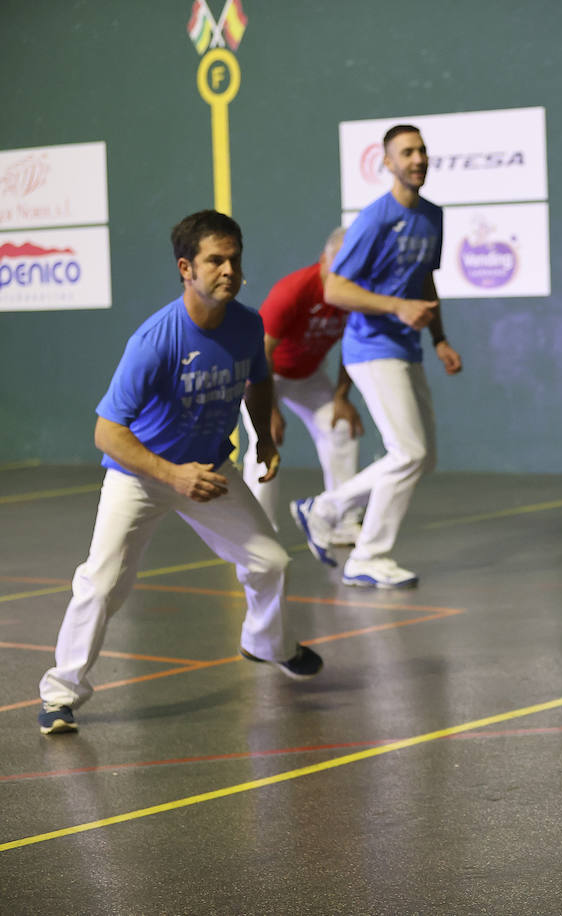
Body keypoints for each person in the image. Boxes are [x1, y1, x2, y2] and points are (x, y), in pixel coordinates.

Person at [38, 210, 322, 736]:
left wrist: (260, 437)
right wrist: (172, 475)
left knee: (269, 562)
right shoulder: (157, 340)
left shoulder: (247, 324)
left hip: (208, 472)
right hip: (141, 476)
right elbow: (107, 432)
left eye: (235, 259)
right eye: (216, 260)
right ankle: (60, 694)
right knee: (101, 585)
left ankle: (267, 644)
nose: (229, 271)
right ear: (186, 268)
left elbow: (258, 381)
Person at [291, 124, 462, 589]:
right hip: (370, 347)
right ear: (387, 163)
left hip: (407, 347)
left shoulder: (432, 217)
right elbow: (335, 287)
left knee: (420, 459)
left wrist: (440, 338)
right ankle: (368, 555)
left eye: (422, 151)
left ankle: (325, 508)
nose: (417, 159)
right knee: (407, 451)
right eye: (406, 153)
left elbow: (425, 281)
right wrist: (396, 307)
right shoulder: (375, 219)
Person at [240, 227, 365, 544]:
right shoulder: (294, 290)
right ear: (325, 259)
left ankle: (338, 521)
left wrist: (341, 397)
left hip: (308, 376)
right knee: (263, 443)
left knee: (340, 429)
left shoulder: (353, 293)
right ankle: (257, 533)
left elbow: (353, 346)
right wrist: (269, 409)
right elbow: (260, 352)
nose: (349, 270)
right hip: (263, 377)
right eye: (343, 261)